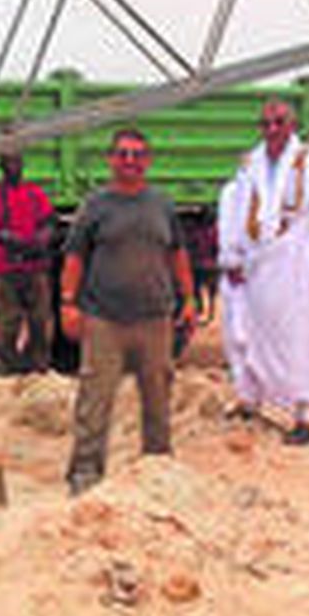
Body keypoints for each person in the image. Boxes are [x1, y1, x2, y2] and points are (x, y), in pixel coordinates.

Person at [58, 128, 197, 495]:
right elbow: (74, 257)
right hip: (105, 320)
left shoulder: (162, 205)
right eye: (123, 154)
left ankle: (158, 469)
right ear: (111, 159)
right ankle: (84, 476)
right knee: (94, 402)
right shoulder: (95, 206)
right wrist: (68, 303)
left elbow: (177, 253)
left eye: (137, 154)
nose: (130, 161)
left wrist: (189, 299)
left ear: (148, 161)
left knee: (158, 400)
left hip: (155, 321)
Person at [232, 98, 309, 444]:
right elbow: (238, 213)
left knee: (304, 337)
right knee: (257, 332)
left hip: (300, 265)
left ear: (293, 125)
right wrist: (235, 255)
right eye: (265, 124)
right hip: (260, 265)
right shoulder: (250, 163)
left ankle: (307, 416)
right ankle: (254, 400)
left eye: (279, 122)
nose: (272, 130)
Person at [0, 151, 56, 373]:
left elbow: (49, 220)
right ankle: (8, 367)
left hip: (35, 267)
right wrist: (9, 239)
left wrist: (43, 237)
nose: (15, 167)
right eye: (10, 163)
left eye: (18, 162)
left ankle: (39, 365)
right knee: (7, 321)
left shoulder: (33, 193)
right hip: (6, 269)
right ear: (1, 166)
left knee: (40, 320)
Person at [216, 159, 251, 388]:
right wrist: (232, 261)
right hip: (235, 268)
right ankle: (243, 387)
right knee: (236, 332)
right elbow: (227, 229)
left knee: (244, 332)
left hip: (252, 270)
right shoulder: (232, 193)